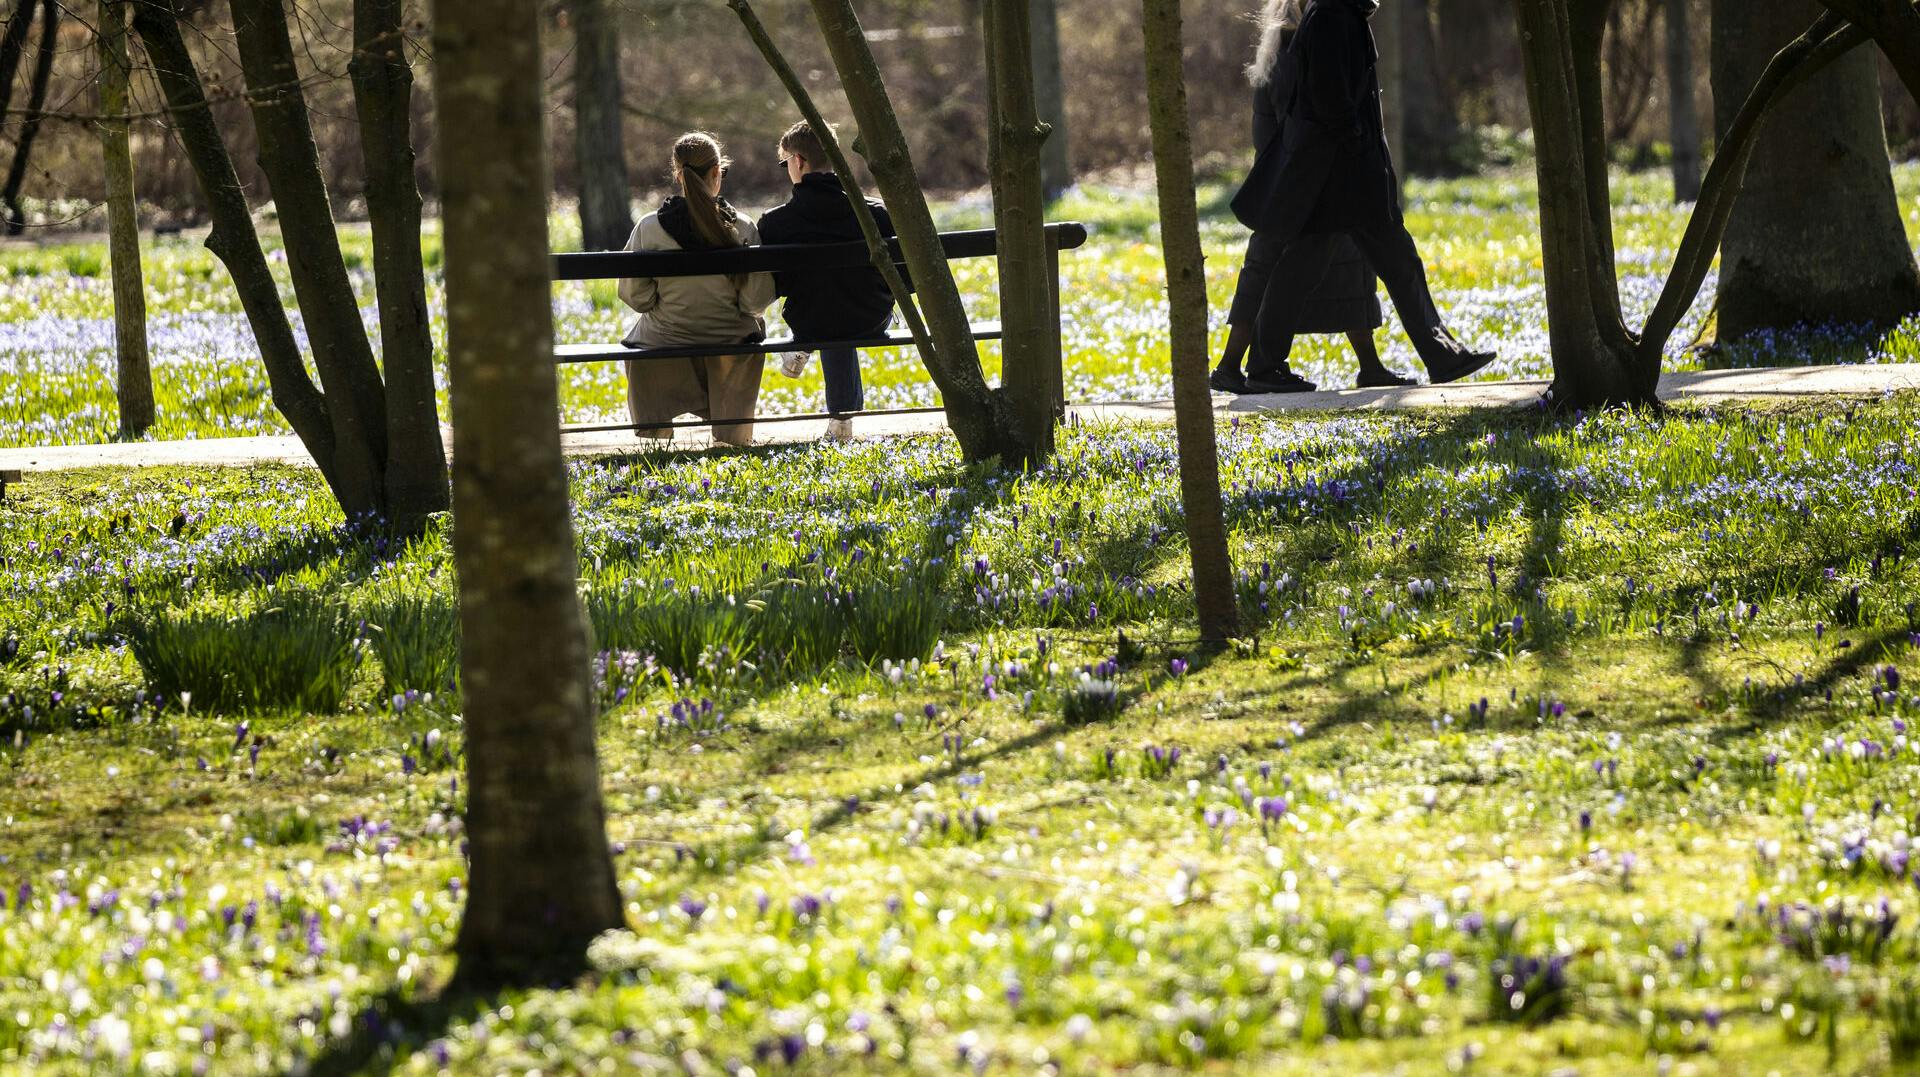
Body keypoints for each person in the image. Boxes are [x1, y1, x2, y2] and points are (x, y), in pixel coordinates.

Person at [1228, 0, 1494, 394]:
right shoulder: (1333, 15)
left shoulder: (1336, 12)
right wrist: (1358, 146)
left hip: (1337, 171)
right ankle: (1442, 355)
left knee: (1310, 265)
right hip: (1346, 173)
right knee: (1395, 262)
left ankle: (1266, 366)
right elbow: (1331, 96)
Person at [1212, 0, 1408, 394]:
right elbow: (1293, 115)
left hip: (1304, 174)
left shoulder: (1294, 39)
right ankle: (1235, 366)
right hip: (1299, 176)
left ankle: (1368, 364)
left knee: (1346, 264)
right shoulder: (1292, 43)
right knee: (1270, 266)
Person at [619, 132, 777, 447]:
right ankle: (730, 437)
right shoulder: (742, 227)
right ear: (717, 173)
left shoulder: (650, 228)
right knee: (751, 329)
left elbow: (636, 297)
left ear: (678, 176)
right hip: (729, 339)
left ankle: (656, 436)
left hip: (665, 339)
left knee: (640, 337)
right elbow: (754, 301)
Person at [757, 120, 902, 443]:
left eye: (785, 162)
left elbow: (771, 286)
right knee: (840, 307)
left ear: (798, 161)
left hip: (809, 320)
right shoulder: (874, 213)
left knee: (826, 309)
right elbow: (905, 279)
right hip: (870, 316)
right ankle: (842, 421)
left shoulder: (776, 222)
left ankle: (804, 347)